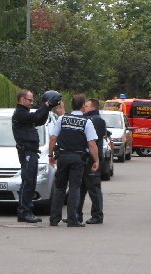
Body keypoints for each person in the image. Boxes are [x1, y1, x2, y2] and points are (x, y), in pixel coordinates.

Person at [47, 94, 100, 227]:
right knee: (74, 188)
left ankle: (54, 218)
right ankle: (72, 219)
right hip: (78, 158)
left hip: (63, 156)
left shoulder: (62, 119)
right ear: (82, 106)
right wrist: (96, 160)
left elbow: (53, 138)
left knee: (59, 187)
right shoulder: (87, 122)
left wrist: (50, 155)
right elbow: (92, 144)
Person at [12, 88, 59, 223]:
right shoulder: (20, 114)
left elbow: (39, 120)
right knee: (28, 182)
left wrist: (47, 108)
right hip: (27, 151)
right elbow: (35, 117)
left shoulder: (25, 113)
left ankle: (27, 211)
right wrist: (46, 105)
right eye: (30, 100)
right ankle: (24, 212)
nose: (32, 103)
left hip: (31, 152)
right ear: (22, 100)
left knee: (30, 182)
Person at [77, 98, 106, 224]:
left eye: (87, 106)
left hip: (92, 158)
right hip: (85, 157)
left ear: (93, 108)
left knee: (93, 188)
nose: (84, 107)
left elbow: (91, 140)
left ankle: (97, 215)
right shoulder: (88, 118)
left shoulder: (97, 120)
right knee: (80, 188)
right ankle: (77, 214)